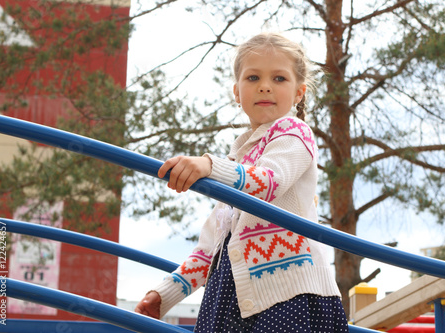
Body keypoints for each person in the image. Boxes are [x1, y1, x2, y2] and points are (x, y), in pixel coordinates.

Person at [135, 32, 349, 332]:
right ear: (237, 92)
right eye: (253, 78)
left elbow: (268, 183)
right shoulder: (238, 158)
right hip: (227, 299)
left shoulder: (294, 132)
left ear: (299, 93)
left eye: (279, 79)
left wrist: (209, 165)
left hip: (289, 295)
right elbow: (212, 246)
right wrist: (165, 294)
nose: (264, 85)